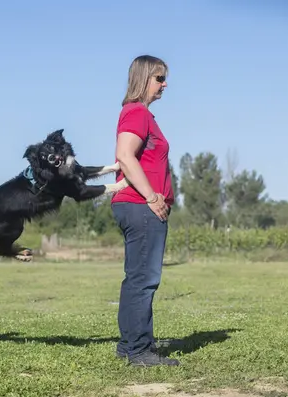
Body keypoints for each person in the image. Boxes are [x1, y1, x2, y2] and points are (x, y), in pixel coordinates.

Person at [110, 55, 179, 367]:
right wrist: (153, 197)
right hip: (141, 207)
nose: (165, 85)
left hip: (136, 206)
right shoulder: (137, 112)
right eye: (159, 78)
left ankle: (129, 346)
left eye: (164, 78)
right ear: (143, 79)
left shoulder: (139, 114)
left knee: (136, 277)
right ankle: (139, 351)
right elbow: (125, 156)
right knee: (144, 279)